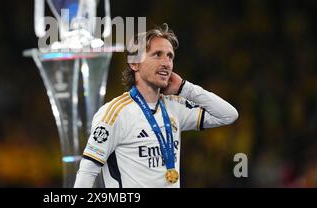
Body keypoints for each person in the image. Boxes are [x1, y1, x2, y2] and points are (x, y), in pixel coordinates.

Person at [73, 23, 238, 188]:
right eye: (157, 55)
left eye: (170, 56)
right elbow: (87, 172)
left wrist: (185, 88)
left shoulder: (175, 106)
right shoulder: (115, 113)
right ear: (134, 64)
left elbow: (228, 115)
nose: (166, 63)